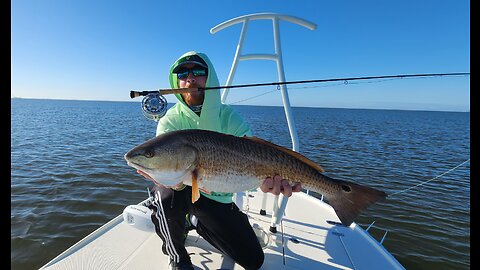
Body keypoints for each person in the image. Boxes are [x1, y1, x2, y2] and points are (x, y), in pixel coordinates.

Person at [137, 51, 302, 270]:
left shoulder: (230, 118)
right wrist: (165, 180)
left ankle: (198, 223)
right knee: (165, 194)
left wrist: (267, 181)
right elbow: (166, 165)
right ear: (176, 81)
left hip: (216, 195)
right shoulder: (170, 121)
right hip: (182, 188)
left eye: (198, 71)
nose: (190, 78)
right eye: (183, 74)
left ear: (210, 77)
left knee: (254, 260)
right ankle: (177, 256)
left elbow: (256, 157)